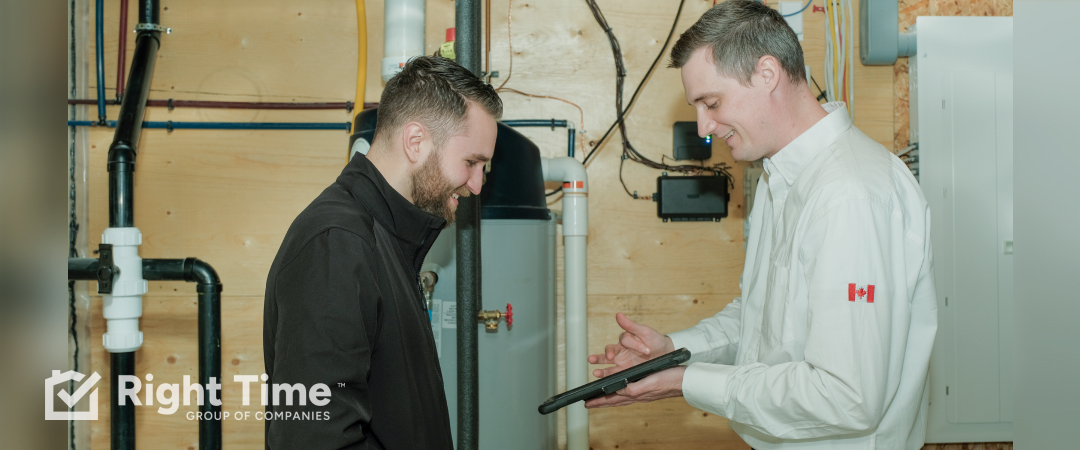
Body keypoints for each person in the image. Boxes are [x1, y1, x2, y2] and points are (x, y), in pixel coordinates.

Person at [586, 1, 938, 449]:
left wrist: (686, 382)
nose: (705, 127)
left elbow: (847, 397)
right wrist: (672, 350)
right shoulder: (782, 178)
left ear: (767, 74)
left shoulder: (848, 195)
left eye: (711, 103)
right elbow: (764, 320)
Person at [262, 56, 501, 449]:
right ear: (415, 142)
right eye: (471, 162)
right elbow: (316, 438)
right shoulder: (336, 244)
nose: (476, 185)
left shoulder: (387, 239)